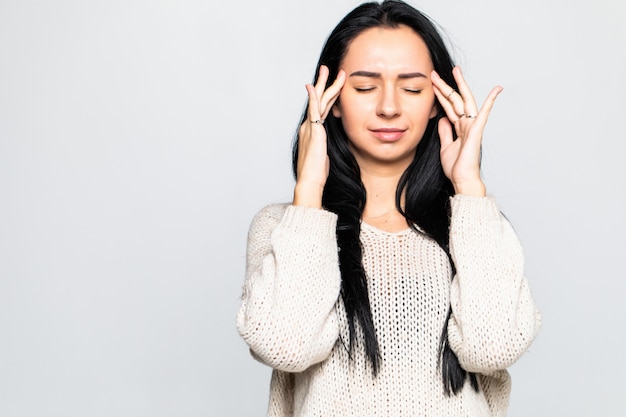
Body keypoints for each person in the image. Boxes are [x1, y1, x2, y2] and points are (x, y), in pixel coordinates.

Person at [237, 1, 541, 415]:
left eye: (412, 88)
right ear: (333, 100)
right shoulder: (283, 227)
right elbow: (287, 347)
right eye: (365, 87)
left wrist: (469, 189)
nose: (389, 107)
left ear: (437, 101)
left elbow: (492, 350)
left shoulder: (477, 227)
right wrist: (309, 190)